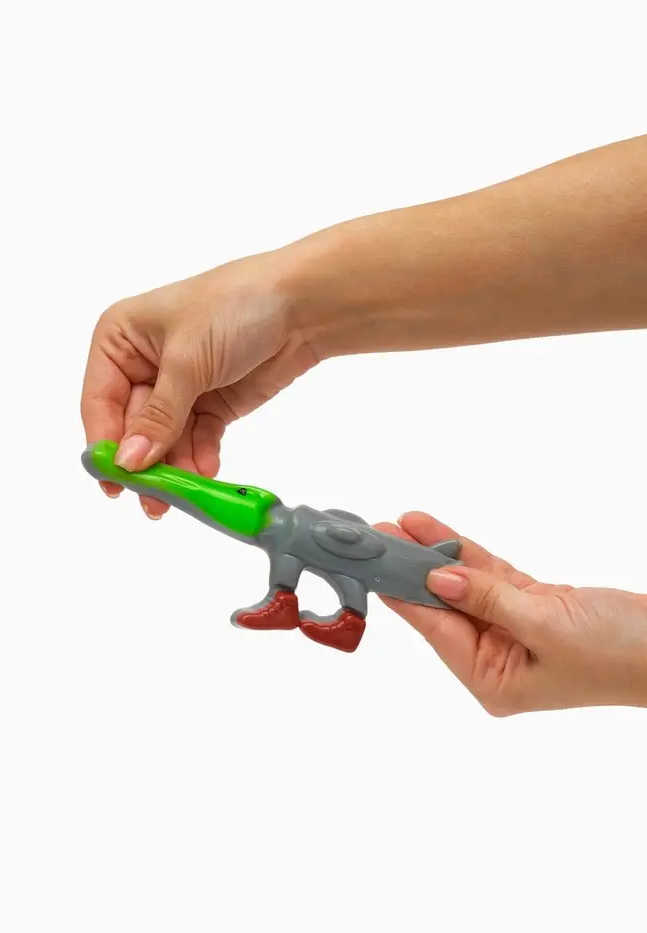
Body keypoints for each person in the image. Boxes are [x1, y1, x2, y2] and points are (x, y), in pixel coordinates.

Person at [81, 133, 647, 716]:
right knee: (346, 555)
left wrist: (634, 663)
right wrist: (293, 311)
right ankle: (339, 614)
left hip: (362, 549)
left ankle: (339, 614)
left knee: (348, 556)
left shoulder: (293, 532)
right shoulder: (294, 529)